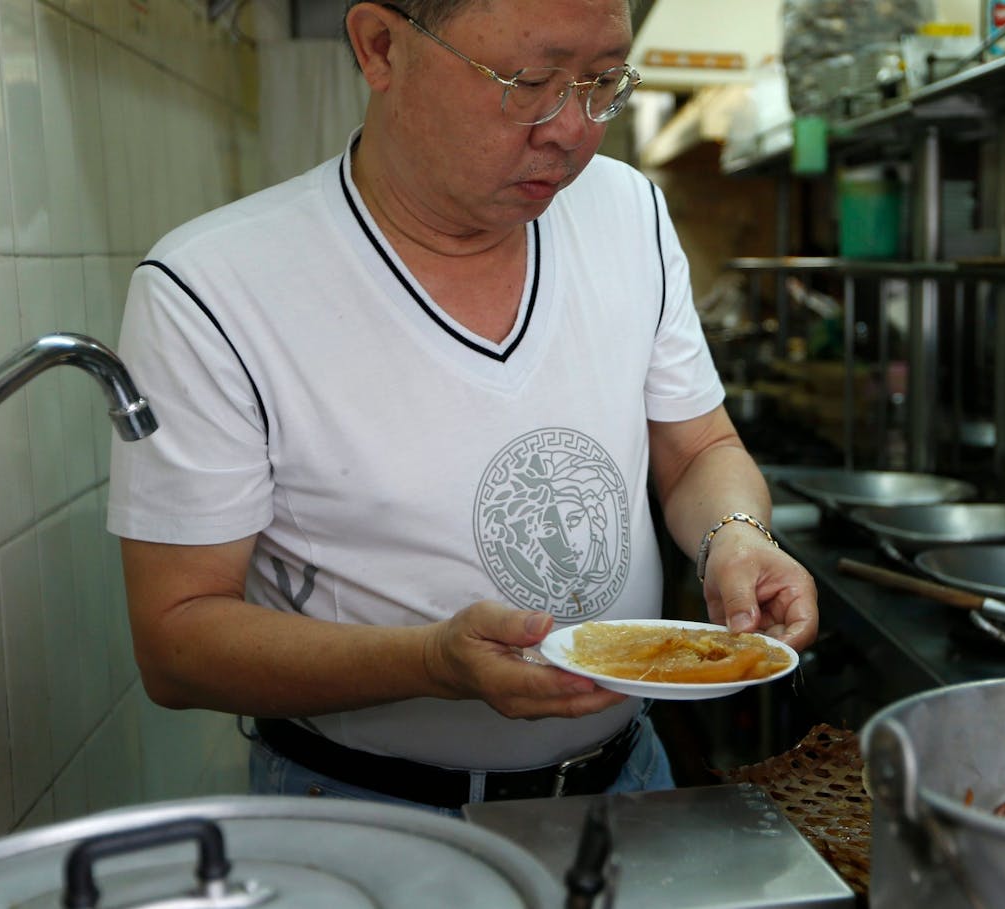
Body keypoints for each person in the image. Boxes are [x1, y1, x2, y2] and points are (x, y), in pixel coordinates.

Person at [105, 0, 818, 817]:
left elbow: (696, 452)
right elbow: (177, 640)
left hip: (626, 789)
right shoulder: (216, 287)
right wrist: (434, 662)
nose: (573, 129)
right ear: (381, 47)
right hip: (366, 811)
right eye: (530, 81)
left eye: (601, 81)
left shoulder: (629, 216)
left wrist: (736, 537)